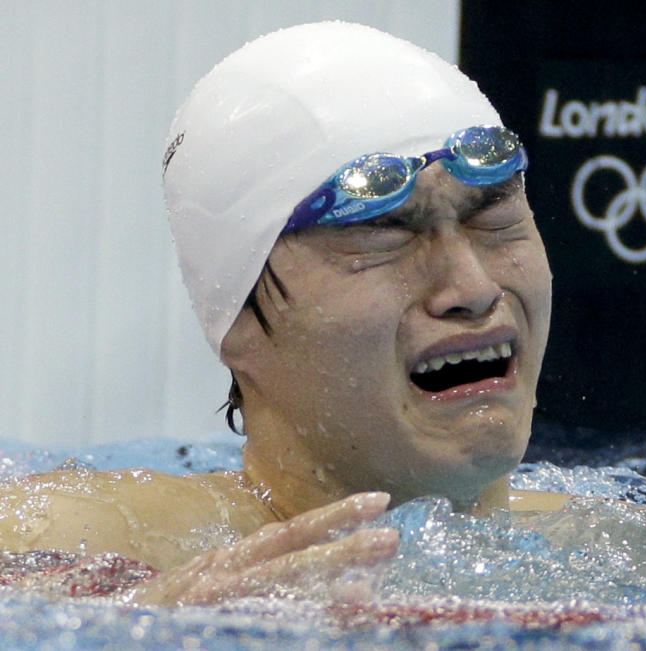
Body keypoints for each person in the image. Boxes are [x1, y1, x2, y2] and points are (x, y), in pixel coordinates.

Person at [0, 22, 564, 606]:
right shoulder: (67, 538)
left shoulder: (641, 545)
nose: (471, 288)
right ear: (237, 315)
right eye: (383, 231)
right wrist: (142, 624)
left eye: (493, 217)